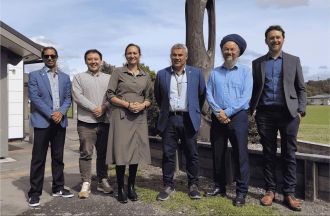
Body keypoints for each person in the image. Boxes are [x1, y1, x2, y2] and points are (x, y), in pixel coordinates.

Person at [250, 25, 307, 211]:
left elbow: (301, 88)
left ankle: (289, 193)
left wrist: (301, 110)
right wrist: (253, 110)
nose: (275, 40)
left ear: (283, 39)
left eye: (278, 37)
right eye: (271, 37)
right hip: (265, 114)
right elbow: (255, 89)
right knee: (268, 153)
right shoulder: (257, 63)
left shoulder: (293, 60)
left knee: (289, 154)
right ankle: (270, 191)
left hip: (289, 114)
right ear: (266, 40)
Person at [154, 43, 206, 201]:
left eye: (180, 55)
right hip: (169, 119)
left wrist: (194, 112)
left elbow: (201, 95)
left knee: (192, 154)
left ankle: (193, 185)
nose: (177, 57)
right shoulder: (161, 74)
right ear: (170, 56)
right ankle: (168, 185)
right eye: (174, 55)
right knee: (168, 154)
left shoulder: (196, 73)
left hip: (188, 118)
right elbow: (158, 96)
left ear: (186, 57)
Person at [205, 34, 252, 207]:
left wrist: (228, 112)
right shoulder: (214, 72)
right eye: (226, 48)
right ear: (222, 50)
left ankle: (241, 192)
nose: (229, 51)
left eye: (232, 49)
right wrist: (218, 112)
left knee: (240, 154)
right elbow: (209, 93)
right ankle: (219, 186)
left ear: (239, 51)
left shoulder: (246, 71)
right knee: (218, 153)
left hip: (238, 117)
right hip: (218, 117)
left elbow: (246, 96)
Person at [106, 43, 152, 204]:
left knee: (135, 153)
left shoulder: (145, 76)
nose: (132, 55)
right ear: (125, 55)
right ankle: (120, 188)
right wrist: (127, 104)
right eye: (129, 53)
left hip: (139, 118)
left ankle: (131, 187)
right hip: (122, 117)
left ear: (140, 55)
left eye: (135, 53)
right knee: (121, 152)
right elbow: (110, 95)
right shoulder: (118, 72)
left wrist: (143, 105)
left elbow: (149, 98)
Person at [27, 47, 73, 207]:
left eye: (53, 56)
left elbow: (68, 98)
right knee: (38, 159)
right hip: (42, 122)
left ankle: (58, 187)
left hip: (60, 122)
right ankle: (34, 193)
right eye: (46, 56)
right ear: (42, 58)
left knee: (58, 158)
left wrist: (60, 113)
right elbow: (35, 98)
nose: (50, 58)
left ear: (57, 57)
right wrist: (52, 113)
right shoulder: (34, 76)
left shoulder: (66, 77)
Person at [72, 49, 112, 199]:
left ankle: (102, 181)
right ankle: (86, 183)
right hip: (86, 122)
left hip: (105, 121)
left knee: (103, 154)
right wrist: (93, 108)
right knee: (86, 153)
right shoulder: (79, 77)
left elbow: (113, 95)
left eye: (96, 59)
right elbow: (77, 96)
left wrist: (103, 107)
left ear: (101, 61)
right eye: (90, 59)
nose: (93, 61)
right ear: (86, 61)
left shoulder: (109, 78)